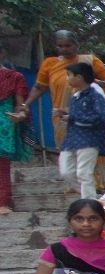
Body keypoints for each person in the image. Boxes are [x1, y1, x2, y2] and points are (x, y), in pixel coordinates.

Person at [19, 30, 105, 148]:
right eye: (60, 46)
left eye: (68, 45)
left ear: (76, 45)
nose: (64, 49)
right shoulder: (50, 64)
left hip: (87, 115)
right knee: (66, 151)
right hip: (61, 116)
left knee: (89, 152)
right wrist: (26, 105)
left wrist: (95, 82)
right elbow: (39, 87)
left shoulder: (90, 61)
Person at [57, 62, 105, 199]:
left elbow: (101, 118)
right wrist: (66, 115)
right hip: (71, 140)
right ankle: (89, 195)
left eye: (69, 75)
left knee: (84, 173)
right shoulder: (75, 97)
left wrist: (73, 117)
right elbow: (75, 117)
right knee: (65, 171)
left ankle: (89, 201)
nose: (67, 78)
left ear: (79, 77)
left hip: (89, 140)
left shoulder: (96, 96)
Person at [0, 44, 31, 214]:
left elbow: (21, 106)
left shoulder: (14, 77)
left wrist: (20, 115)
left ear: (2, 54)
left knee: (1, 164)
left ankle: (3, 202)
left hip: (3, 125)